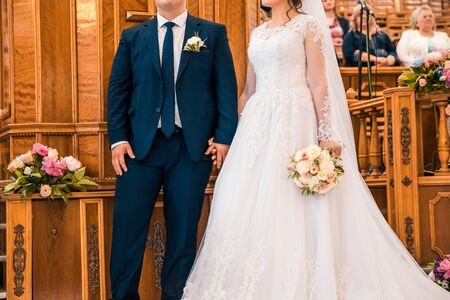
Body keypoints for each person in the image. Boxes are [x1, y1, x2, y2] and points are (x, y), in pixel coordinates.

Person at [181, 0, 450, 299]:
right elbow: (248, 90)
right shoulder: (258, 34)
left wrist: (326, 134)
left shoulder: (307, 26)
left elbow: (319, 84)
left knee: (296, 201)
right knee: (238, 196)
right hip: (257, 125)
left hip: (295, 120)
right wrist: (229, 135)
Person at [106, 0, 238, 298]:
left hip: (191, 149)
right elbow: (118, 90)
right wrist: (118, 138)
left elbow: (225, 89)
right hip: (138, 151)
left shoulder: (211, 34)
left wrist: (223, 137)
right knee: (127, 233)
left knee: (183, 235)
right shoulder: (133, 37)